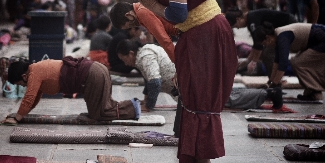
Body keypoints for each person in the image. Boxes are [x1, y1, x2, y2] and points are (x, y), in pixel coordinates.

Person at [127, 0, 237, 163]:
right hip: (198, 34)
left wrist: (152, 5)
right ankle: (192, 161)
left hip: (206, 34)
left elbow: (177, 12)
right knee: (191, 94)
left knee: (201, 95)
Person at [117, 37, 284, 113]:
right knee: (224, 95)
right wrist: (146, 100)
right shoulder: (144, 55)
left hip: (192, 80)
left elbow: (154, 81)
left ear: (131, 53)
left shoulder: (144, 55)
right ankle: (265, 93)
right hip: (190, 79)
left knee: (226, 99)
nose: (125, 63)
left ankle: (268, 94)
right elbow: (149, 81)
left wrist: (149, 106)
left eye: (124, 59)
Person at [0, 58, 140, 125]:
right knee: (104, 106)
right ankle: (131, 107)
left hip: (93, 75)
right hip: (96, 70)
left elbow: (28, 98)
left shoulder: (33, 74)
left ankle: (133, 108)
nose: (23, 87)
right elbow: (33, 99)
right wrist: (21, 115)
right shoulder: (35, 70)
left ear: (23, 76)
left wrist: (16, 118)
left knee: (99, 114)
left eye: (20, 84)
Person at [255, 22, 325, 101]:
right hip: (321, 39)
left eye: (264, 44)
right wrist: (271, 82)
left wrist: (275, 85)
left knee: (297, 63)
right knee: (297, 61)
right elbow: (277, 62)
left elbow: (283, 64)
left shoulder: (282, 37)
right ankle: (311, 91)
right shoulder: (278, 36)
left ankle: (315, 91)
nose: (265, 46)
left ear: (268, 38)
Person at [225, 7, 298, 75]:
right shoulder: (251, 20)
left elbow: (258, 45)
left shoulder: (252, 21)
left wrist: (253, 62)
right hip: (281, 29)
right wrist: (248, 60)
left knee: (268, 53)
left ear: (238, 19)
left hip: (289, 24)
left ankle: (275, 81)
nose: (238, 28)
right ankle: (274, 81)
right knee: (267, 53)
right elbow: (256, 44)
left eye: (236, 26)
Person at [109, 1, 177, 60]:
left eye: (130, 25)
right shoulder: (140, 9)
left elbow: (164, 39)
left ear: (128, 15)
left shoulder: (141, 13)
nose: (133, 26)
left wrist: (176, 62)